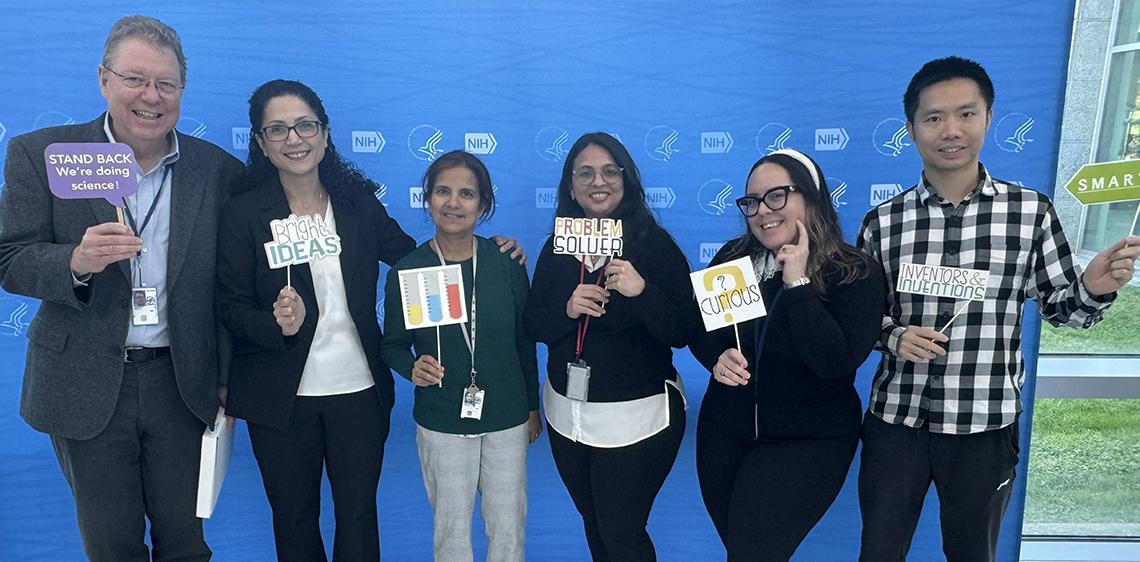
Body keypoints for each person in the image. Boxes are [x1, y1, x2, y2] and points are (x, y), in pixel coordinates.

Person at [216, 81, 524, 561]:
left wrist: (484, 252)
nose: (294, 139)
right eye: (277, 129)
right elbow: (229, 306)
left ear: (324, 133)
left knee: (358, 517)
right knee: (293, 519)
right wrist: (274, 323)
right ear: (260, 142)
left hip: (358, 391)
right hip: (278, 396)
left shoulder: (355, 201)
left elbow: (413, 258)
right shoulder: (242, 212)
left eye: (305, 125)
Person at [856, 56, 1140, 562]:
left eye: (966, 114)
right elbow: (859, 320)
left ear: (988, 117)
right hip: (895, 420)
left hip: (983, 426)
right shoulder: (883, 222)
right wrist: (895, 336)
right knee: (879, 551)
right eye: (934, 117)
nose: (951, 130)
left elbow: (1065, 311)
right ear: (911, 129)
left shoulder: (1030, 213)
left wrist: (1093, 288)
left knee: (973, 554)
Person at [0, 16, 243, 561]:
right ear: (104, 79)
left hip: (183, 384)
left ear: (181, 90)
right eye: (135, 79)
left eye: (166, 83)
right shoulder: (42, 154)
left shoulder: (217, 171)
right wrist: (75, 261)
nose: (151, 96)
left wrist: (228, 378)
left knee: (186, 546)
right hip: (83, 382)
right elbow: (9, 259)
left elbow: (228, 290)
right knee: (112, 548)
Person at [690, 149, 885, 561]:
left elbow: (836, 361)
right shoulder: (733, 258)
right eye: (752, 201)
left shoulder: (854, 272)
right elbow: (700, 327)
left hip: (807, 442)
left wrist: (797, 285)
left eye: (777, 195)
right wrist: (716, 358)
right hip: (724, 434)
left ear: (811, 196)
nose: (763, 210)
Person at [523, 132, 692, 561]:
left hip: (638, 419)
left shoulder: (655, 245)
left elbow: (683, 329)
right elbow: (533, 323)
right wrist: (566, 310)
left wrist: (643, 292)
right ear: (571, 186)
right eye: (585, 173)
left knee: (622, 533)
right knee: (596, 527)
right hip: (568, 416)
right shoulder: (557, 247)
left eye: (609, 171)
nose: (598, 182)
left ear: (626, 179)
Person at [380, 150, 541, 562]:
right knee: (451, 533)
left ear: (483, 205)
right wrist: (411, 367)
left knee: (508, 529)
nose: (453, 203)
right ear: (428, 199)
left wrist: (531, 407)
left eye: (466, 194)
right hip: (442, 417)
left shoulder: (507, 262)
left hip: (506, 415)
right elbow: (392, 344)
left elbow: (524, 341)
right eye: (443, 191)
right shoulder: (408, 271)